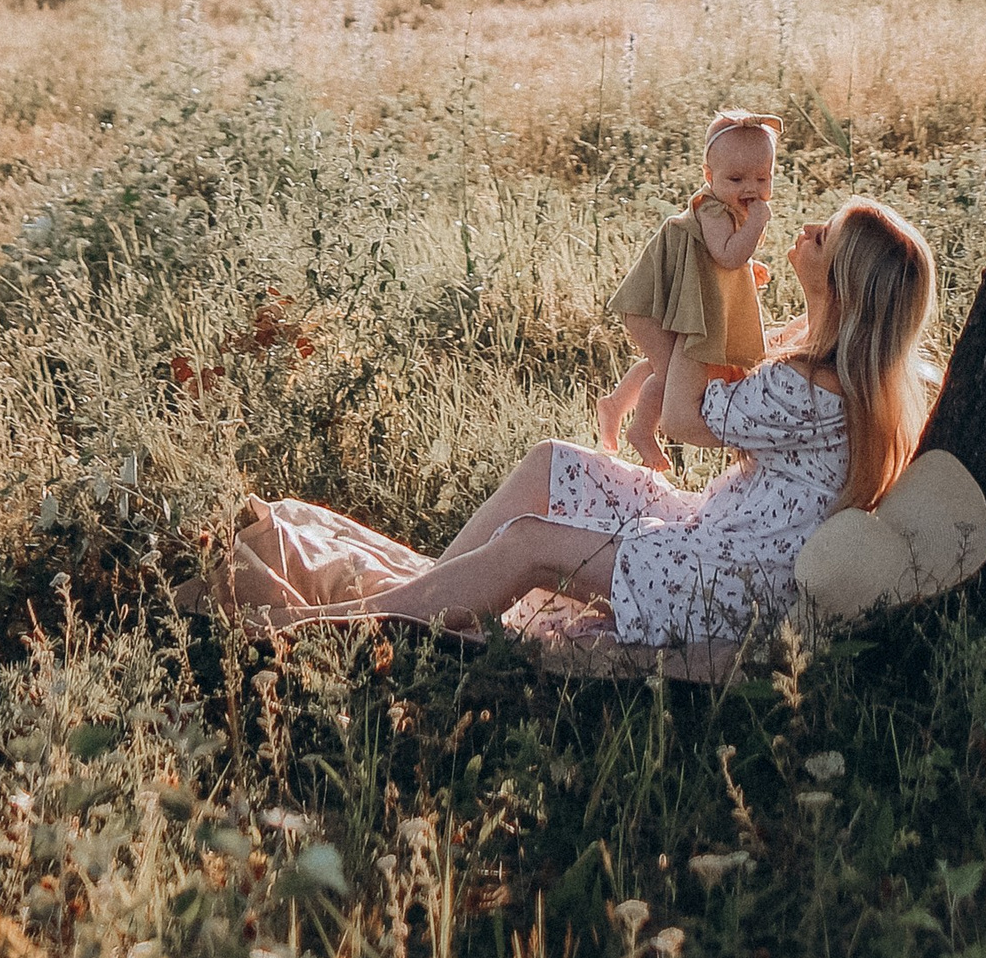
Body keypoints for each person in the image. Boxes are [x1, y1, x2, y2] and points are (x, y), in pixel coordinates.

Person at [319, 195, 938, 649]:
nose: (807, 229)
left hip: (722, 582)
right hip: (722, 535)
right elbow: (722, 368)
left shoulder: (810, 388)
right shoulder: (834, 364)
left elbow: (682, 416)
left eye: (823, 236)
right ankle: (426, 594)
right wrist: (719, 302)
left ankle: (354, 629)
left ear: (841, 285)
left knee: (531, 541)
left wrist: (708, 282)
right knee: (550, 462)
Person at [597, 108, 779, 474]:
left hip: (659, 303)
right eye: (736, 178)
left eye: (762, 178)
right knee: (670, 378)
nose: (750, 189)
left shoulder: (725, 205)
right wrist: (756, 227)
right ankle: (643, 431)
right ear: (708, 176)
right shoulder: (713, 209)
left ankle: (616, 404)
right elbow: (727, 255)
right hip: (651, 305)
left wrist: (746, 268)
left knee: (662, 364)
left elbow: (715, 259)